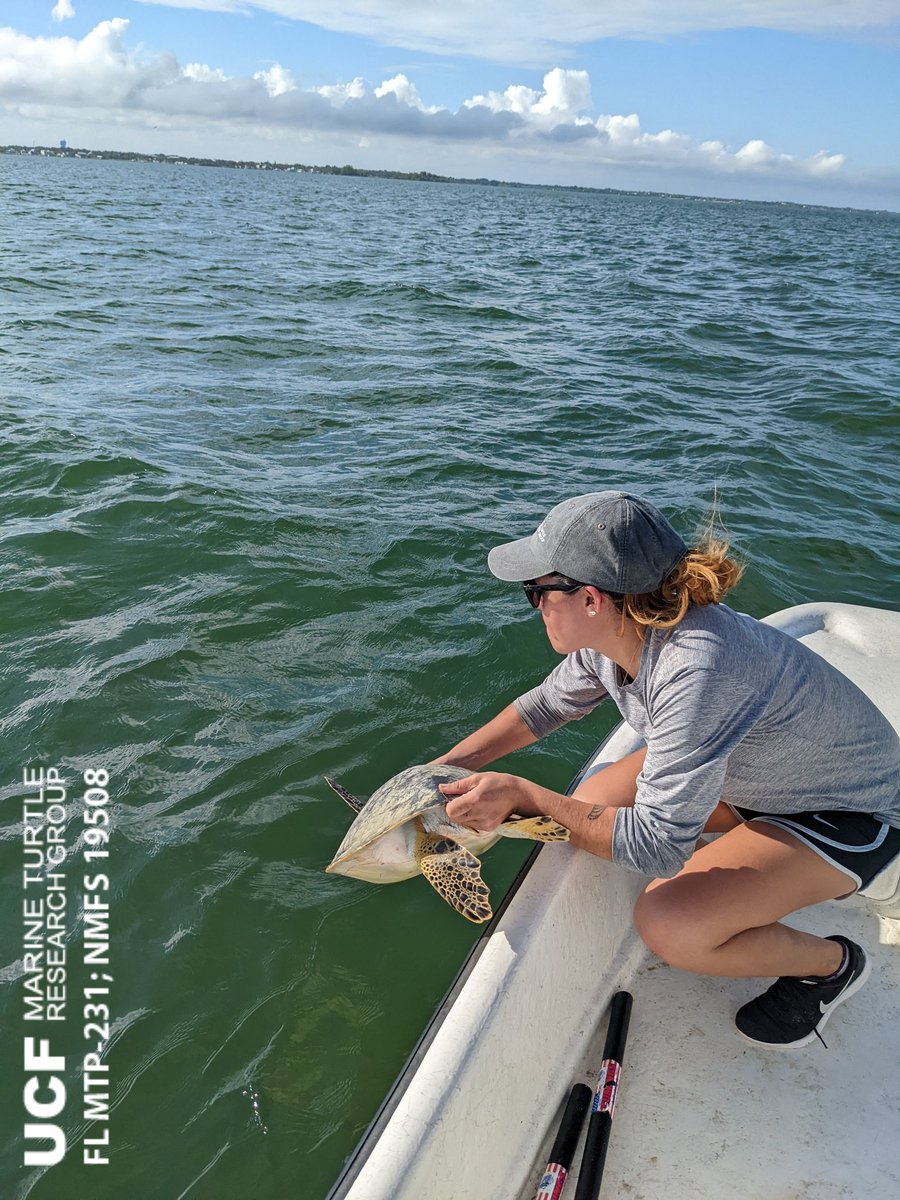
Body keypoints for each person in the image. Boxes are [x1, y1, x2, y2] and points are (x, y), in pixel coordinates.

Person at [435, 490, 900, 1049]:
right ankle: (748, 855)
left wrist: (527, 796)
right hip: (758, 775)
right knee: (596, 798)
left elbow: (659, 848)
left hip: (850, 812)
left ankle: (830, 965)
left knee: (669, 924)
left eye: (536, 592)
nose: (534, 605)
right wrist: (442, 768)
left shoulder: (698, 667)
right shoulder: (619, 633)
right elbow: (544, 707)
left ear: (590, 599)